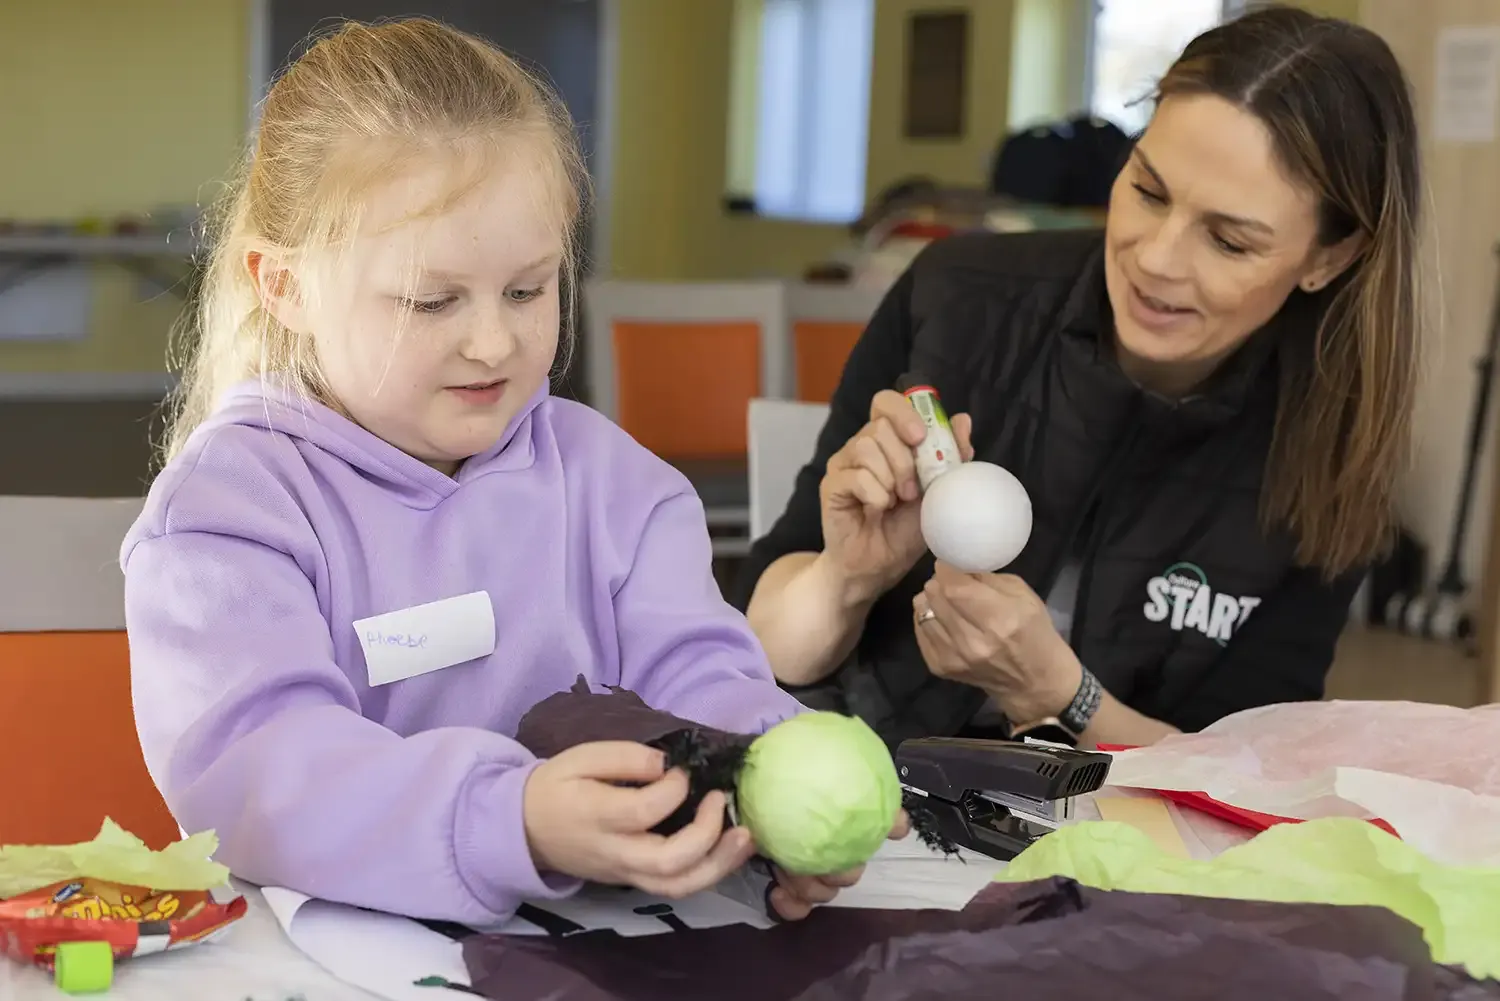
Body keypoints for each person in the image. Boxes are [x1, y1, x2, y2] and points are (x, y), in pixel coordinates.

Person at [122, 19, 894, 927]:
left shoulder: (616, 486)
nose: (493, 341)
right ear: (285, 286)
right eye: (431, 299)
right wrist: (510, 819)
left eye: (528, 290)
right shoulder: (233, 509)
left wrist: (760, 793)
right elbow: (263, 768)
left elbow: (697, 671)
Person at [734, 6, 1423, 750]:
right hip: (865, 779)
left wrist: (1060, 695)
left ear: (1331, 256)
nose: (1156, 259)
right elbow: (751, 651)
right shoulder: (957, 297)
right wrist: (847, 576)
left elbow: (1243, 769)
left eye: (1228, 240)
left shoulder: (1330, 445)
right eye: (1148, 191)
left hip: (1114, 834)